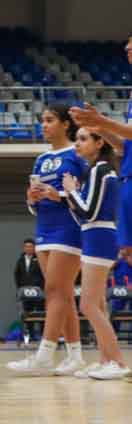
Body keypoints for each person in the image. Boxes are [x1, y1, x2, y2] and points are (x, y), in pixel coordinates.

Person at [8, 104, 87, 376]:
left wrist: (60, 196)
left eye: (50, 120)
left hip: (69, 227)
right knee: (62, 295)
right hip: (44, 227)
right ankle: (75, 355)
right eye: (42, 120)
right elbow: (36, 198)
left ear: (66, 124)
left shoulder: (77, 154)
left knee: (54, 290)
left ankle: (45, 354)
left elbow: (84, 196)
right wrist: (31, 200)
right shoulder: (41, 159)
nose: (44, 125)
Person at [63, 127, 130, 379]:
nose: (77, 144)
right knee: (98, 303)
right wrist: (71, 195)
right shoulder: (97, 171)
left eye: (83, 139)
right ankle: (105, 360)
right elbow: (83, 215)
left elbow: (89, 212)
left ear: (100, 142)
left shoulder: (101, 169)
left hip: (100, 236)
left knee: (88, 304)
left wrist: (70, 190)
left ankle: (119, 363)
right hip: (93, 234)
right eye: (76, 139)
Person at [70, 34, 132, 256]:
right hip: (128, 175)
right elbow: (125, 146)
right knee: (127, 252)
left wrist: (102, 121)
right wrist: (99, 128)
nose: (127, 48)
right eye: (127, 45)